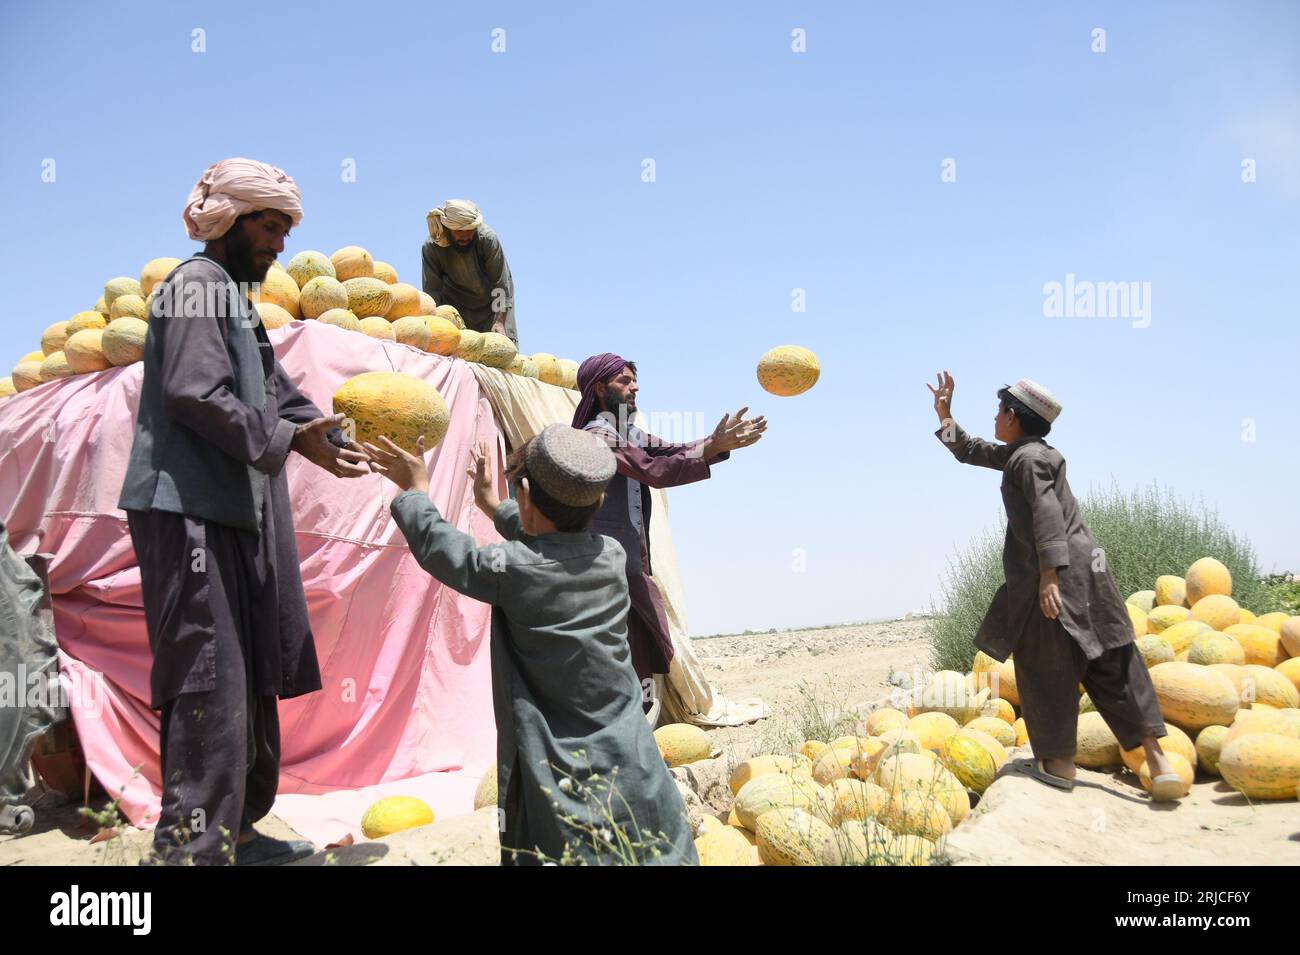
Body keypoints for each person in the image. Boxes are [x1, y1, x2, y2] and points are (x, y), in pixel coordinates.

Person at [118, 158, 372, 865]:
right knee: (209, 674)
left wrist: (327, 436)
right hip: (189, 509)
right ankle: (190, 850)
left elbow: (280, 396)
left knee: (252, 672)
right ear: (227, 219)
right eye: (271, 225)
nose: (281, 244)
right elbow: (194, 392)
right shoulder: (196, 286)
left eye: (287, 230)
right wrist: (290, 437)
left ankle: (238, 831)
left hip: (236, 511)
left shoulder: (234, 298)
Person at [366, 425, 698, 865]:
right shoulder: (612, 556)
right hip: (631, 751)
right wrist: (494, 504)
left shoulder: (512, 571)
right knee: (647, 844)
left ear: (524, 492)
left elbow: (443, 548)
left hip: (562, 759)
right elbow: (553, 546)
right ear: (598, 502)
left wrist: (414, 491)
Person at [927, 371, 1183, 800]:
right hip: (1088, 577)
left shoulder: (1026, 461)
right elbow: (970, 450)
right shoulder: (1028, 454)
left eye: (998, 410)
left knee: (1046, 666)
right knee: (1113, 661)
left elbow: (1046, 513)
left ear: (1013, 416)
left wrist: (1048, 576)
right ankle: (1159, 763)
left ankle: (1059, 763)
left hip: (1054, 579)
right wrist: (946, 415)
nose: (994, 417)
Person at [572, 353, 766, 706]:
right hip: (605, 567)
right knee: (618, 648)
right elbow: (654, 470)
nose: (635, 387)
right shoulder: (598, 435)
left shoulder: (626, 433)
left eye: (634, 380)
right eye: (625, 381)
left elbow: (674, 451)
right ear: (599, 389)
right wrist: (713, 447)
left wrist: (716, 443)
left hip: (630, 563)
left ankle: (639, 728)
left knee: (643, 645)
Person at [421, 199, 517, 344]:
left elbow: (501, 284)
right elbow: (432, 292)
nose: (465, 236)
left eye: (470, 230)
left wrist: (499, 321)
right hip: (455, 311)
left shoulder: (487, 240)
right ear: (448, 228)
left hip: (492, 310)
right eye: (459, 231)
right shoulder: (432, 248)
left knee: (501, 353)